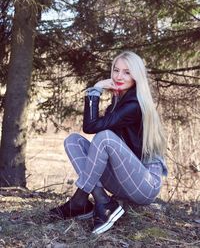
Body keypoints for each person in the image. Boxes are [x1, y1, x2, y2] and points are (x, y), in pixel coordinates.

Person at [50, 51, 168, 235]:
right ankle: (100, 198)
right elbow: (93, 131)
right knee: (73, 141)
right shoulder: (118, 101)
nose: (119, 76)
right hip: (123, 180)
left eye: (127, 72)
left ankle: (80, 201)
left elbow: (91, 127)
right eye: (116, 70)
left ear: (137, 76)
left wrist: (96, 89)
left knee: (103, 137)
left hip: (145, 185)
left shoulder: (134, 104)